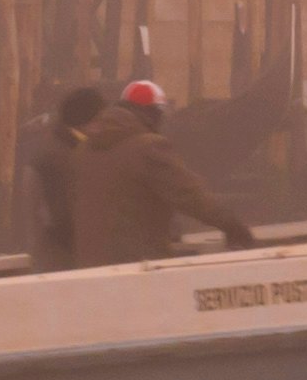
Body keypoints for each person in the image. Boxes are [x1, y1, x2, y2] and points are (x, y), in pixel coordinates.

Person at [62, 77, 260, 266]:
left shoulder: (83, 151)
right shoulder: (149, 147)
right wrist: (232, 226)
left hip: (90, 266)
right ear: (153, 113)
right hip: (139, 268)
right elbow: (190, 196)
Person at [21, 82, 117, 271]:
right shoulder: (64, 157)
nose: (106, 125)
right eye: (101, 119)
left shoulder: (57, 147)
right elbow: (64, 216)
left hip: (55, 253)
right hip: (63, 260)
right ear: (87, 120)